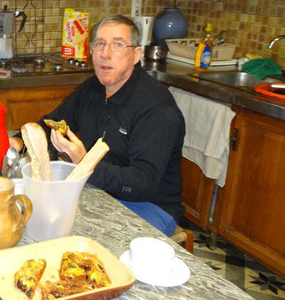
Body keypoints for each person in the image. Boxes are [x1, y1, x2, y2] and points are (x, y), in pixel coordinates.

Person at [10, 15, 186, 236]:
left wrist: (85, 163)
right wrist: (17, 142)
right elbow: (54, 123)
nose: (106, 53)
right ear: (91, 51)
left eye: (118, 44)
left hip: (150, 206)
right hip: (99, 188)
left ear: (136, 55)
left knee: (79, 241)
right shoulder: (92, 88)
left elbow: (144, 183)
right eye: (99, 44)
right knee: (33, 218)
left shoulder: (157, 108)